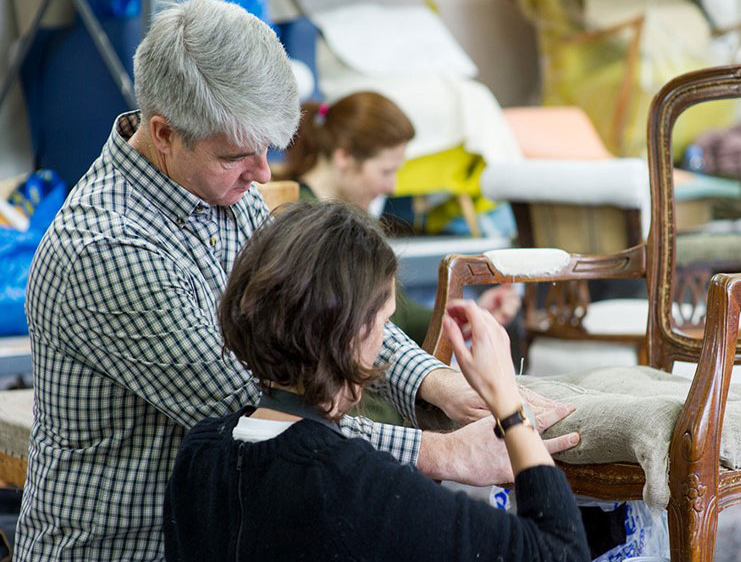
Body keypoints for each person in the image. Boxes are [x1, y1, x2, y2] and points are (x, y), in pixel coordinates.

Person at [16, 0, 574, 561]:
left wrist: (438, 384)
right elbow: (264, 411)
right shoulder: (108, 248)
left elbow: (336, 310)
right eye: (239, 154)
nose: (263, 173)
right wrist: (443, 454)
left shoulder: (224, 190)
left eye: (267, 148)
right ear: (163, 133)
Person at [163, 201, 589, 562]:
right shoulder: (357, 486)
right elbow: (560, 552)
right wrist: (510, 408)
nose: (385, 340)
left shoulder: (199, 455)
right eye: (385, 322)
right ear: (351, 334)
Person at [283, 92, 521, 344]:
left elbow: (396, 315)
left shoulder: (359, 221)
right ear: (344, 157)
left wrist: (464, 316)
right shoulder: (300, 222)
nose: (392, 187)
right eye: (386, 171)